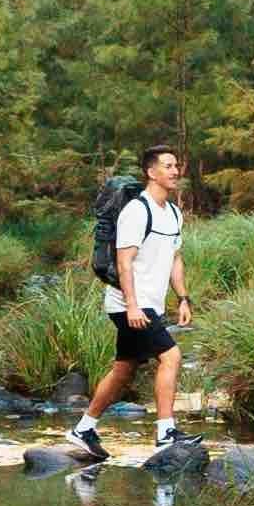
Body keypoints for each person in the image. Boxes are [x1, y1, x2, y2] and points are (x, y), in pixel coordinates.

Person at [86, 144, 193, 454]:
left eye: (176, 166)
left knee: (124, 370)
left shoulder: (173, 213)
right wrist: (132, 305)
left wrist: (183, 298)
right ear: (151, 172)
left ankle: (84, 429)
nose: (175, 172)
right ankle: (165, 433)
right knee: (170, 357)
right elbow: (124, 261)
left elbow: (175, 258)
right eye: (169, 166)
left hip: (149, 305)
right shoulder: (137, 211)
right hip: (129, 305)